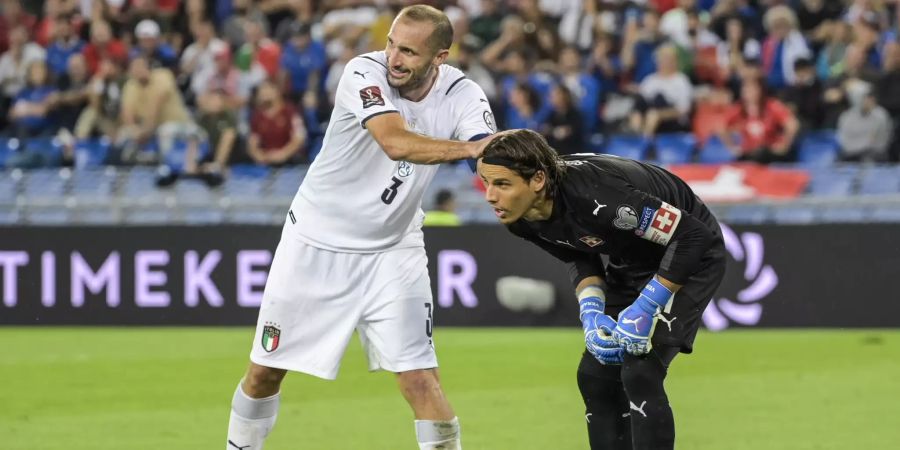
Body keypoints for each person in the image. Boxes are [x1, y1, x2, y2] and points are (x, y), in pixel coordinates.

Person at [225, 5, 495, 450]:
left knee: (420, 380)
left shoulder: (464, 95)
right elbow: (394, 142)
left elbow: (486, 156)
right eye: (391, 43)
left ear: (440, 57)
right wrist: (470, 147)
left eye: (408, 50)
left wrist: (504, 159)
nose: (393, 57)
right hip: (315, 241)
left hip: (394, 247)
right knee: (264, 371)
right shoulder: (361, 72)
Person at [475, 129, 726, 450]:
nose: (490, 196)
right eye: (487, 183)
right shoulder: (520, 217)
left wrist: (648, 305)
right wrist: (591, 311)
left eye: (502, 184)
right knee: (595, 377)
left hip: (691, 256)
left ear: (537, 180)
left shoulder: (598, 197)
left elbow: (693, 237)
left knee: (640, 371)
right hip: (633, 259)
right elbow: (578, 252)